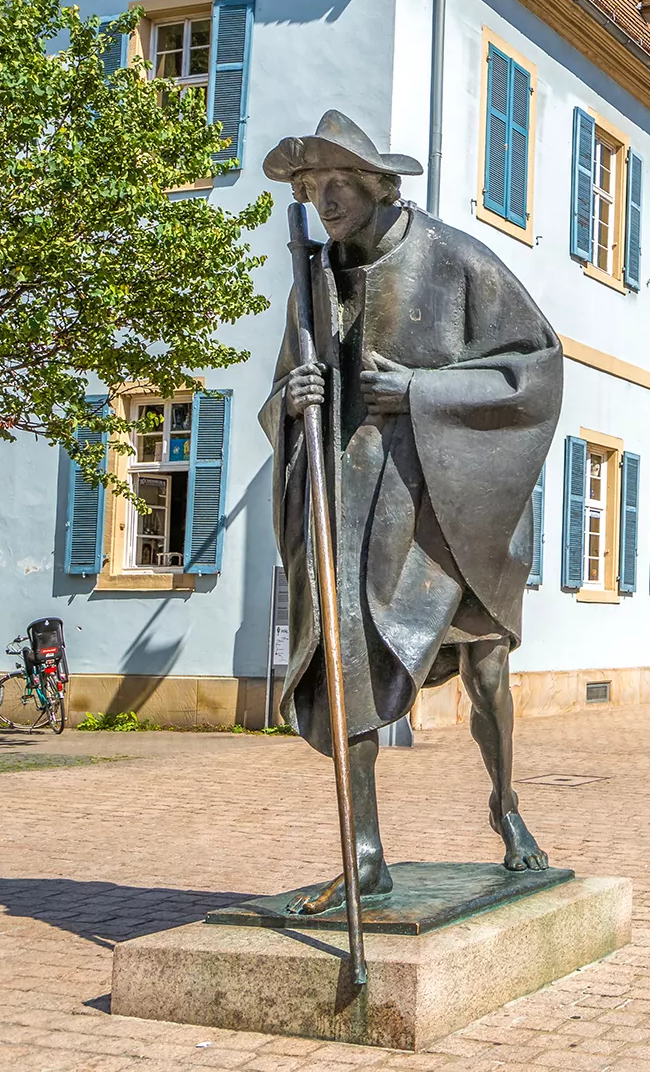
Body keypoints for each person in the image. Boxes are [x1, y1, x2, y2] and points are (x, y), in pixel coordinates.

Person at [262, 111, 564, 910]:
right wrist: (290, 402)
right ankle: (364, 849)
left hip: (455, 508)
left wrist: (425, 392)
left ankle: (506, 803)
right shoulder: (315, 273)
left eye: (336, 184)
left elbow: (536, 370)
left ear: (376, 184)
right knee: (341, 657)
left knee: (486, 666)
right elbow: (292, 382)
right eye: (309, 187)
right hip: (358, 504)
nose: (322, 200)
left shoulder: (457, 259)